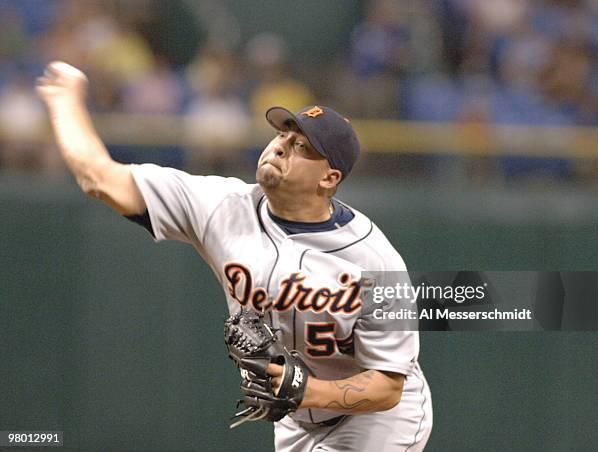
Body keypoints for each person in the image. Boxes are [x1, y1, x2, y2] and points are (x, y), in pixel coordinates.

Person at [37, 61, 432, 451]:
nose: (280, 146)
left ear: (329, 179)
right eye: (282, 134)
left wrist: (309, 390)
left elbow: (388, 386)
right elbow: (99, 178)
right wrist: (64, 100)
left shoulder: (374, 260)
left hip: (380, 422)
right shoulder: (221, 206)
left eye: (301, 147)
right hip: (296, 420)